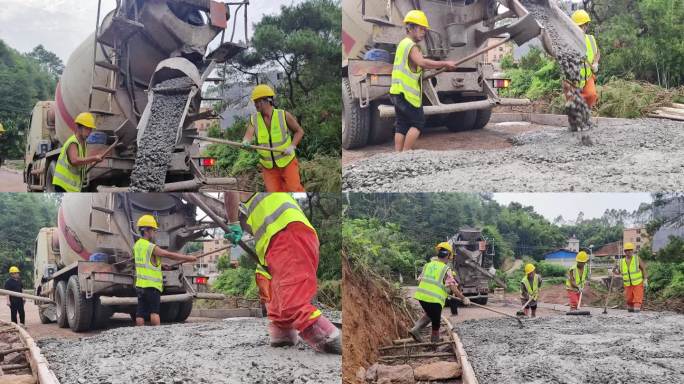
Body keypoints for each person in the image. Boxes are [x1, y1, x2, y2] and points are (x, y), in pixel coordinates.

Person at [224, 192, 341, 354]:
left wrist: (232, 221)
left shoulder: (256, 188)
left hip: (287, 233)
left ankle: (330, 338)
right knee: (270, 286)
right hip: (280, 240)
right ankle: (283, 333)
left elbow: (230, 189)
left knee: (292, 300)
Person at [389, 10, 457, 152]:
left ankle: (397, 155)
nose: (423, 32)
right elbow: (422, 63)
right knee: (418, 123)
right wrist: (445, 63)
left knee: (401, 124)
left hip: (396, 92)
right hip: (407, 94)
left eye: (424, 30)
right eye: (421, 29)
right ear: (411, 28)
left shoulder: (402, 44)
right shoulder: (411, 46)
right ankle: (407, 152)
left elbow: (414, 66)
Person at [134, 215, 197, 326]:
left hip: (140, 285)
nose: (154, 233)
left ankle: (140, 336)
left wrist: (161, 265)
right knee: (154, 312)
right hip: (152, 286)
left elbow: (146, 262)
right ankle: (158, 335)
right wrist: (188, 258)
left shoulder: (137, 245)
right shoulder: (150, 246)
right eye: (153, 230)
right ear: (147, 231)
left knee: (140, 313)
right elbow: (167, 254)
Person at [242, 85, 305, 192]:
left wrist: (292, 146)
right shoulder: (254, 119)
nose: (256, 104)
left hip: (287, 162)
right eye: (255, 102)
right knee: (274, 194)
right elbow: (248, 136)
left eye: (258, 101)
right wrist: (245, 142)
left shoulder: (283, 115)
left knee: (293, 189)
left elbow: (299, 132)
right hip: (268, 167)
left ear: (267, 100)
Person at [409, 242, 471, 343]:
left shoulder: (427, 265)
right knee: (436, 321)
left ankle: (415, 329)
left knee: (430, 314)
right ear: (447, 255)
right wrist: (463, 298)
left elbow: (420, 280)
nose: (449, 259)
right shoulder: (445, 269)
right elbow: (453, 288)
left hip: (421, 296)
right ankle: (435, 342)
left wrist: (439, 288)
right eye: (450, 257)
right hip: (434, 299)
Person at [52, 112, 104, 192]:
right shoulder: (73, 142)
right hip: (63, 185)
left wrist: (91, 162)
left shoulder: (83, 143)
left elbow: (81, 161)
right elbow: (74, 160)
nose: (89, 132)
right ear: (79, 127)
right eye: (87, 128)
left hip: (71, 187)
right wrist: (94, 158)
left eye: (90, 129)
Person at [563, 10, 600, 108]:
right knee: (574, 101)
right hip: (573, 79)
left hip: (587, 77)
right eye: (577, 26)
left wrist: (596, 63)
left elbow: (597, 53)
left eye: (581, 26)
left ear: (586, 26)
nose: (579, 29)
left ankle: (584, 112)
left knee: (592, 96)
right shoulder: (568, 41)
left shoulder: (591, 39)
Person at [613, 242, 648, 313]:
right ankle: (630, 314)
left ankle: (636, 314)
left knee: (637, 300)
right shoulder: (621, 262)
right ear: (625, 252)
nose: (629, 252)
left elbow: (643, 268)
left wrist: (645, 279)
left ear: (632, 251)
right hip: (627, 284)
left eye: (630, 250)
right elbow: (619, 272)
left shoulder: (637, 259)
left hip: (637, 283)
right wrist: (614, 270)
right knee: (629, 300)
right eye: (627, 250)